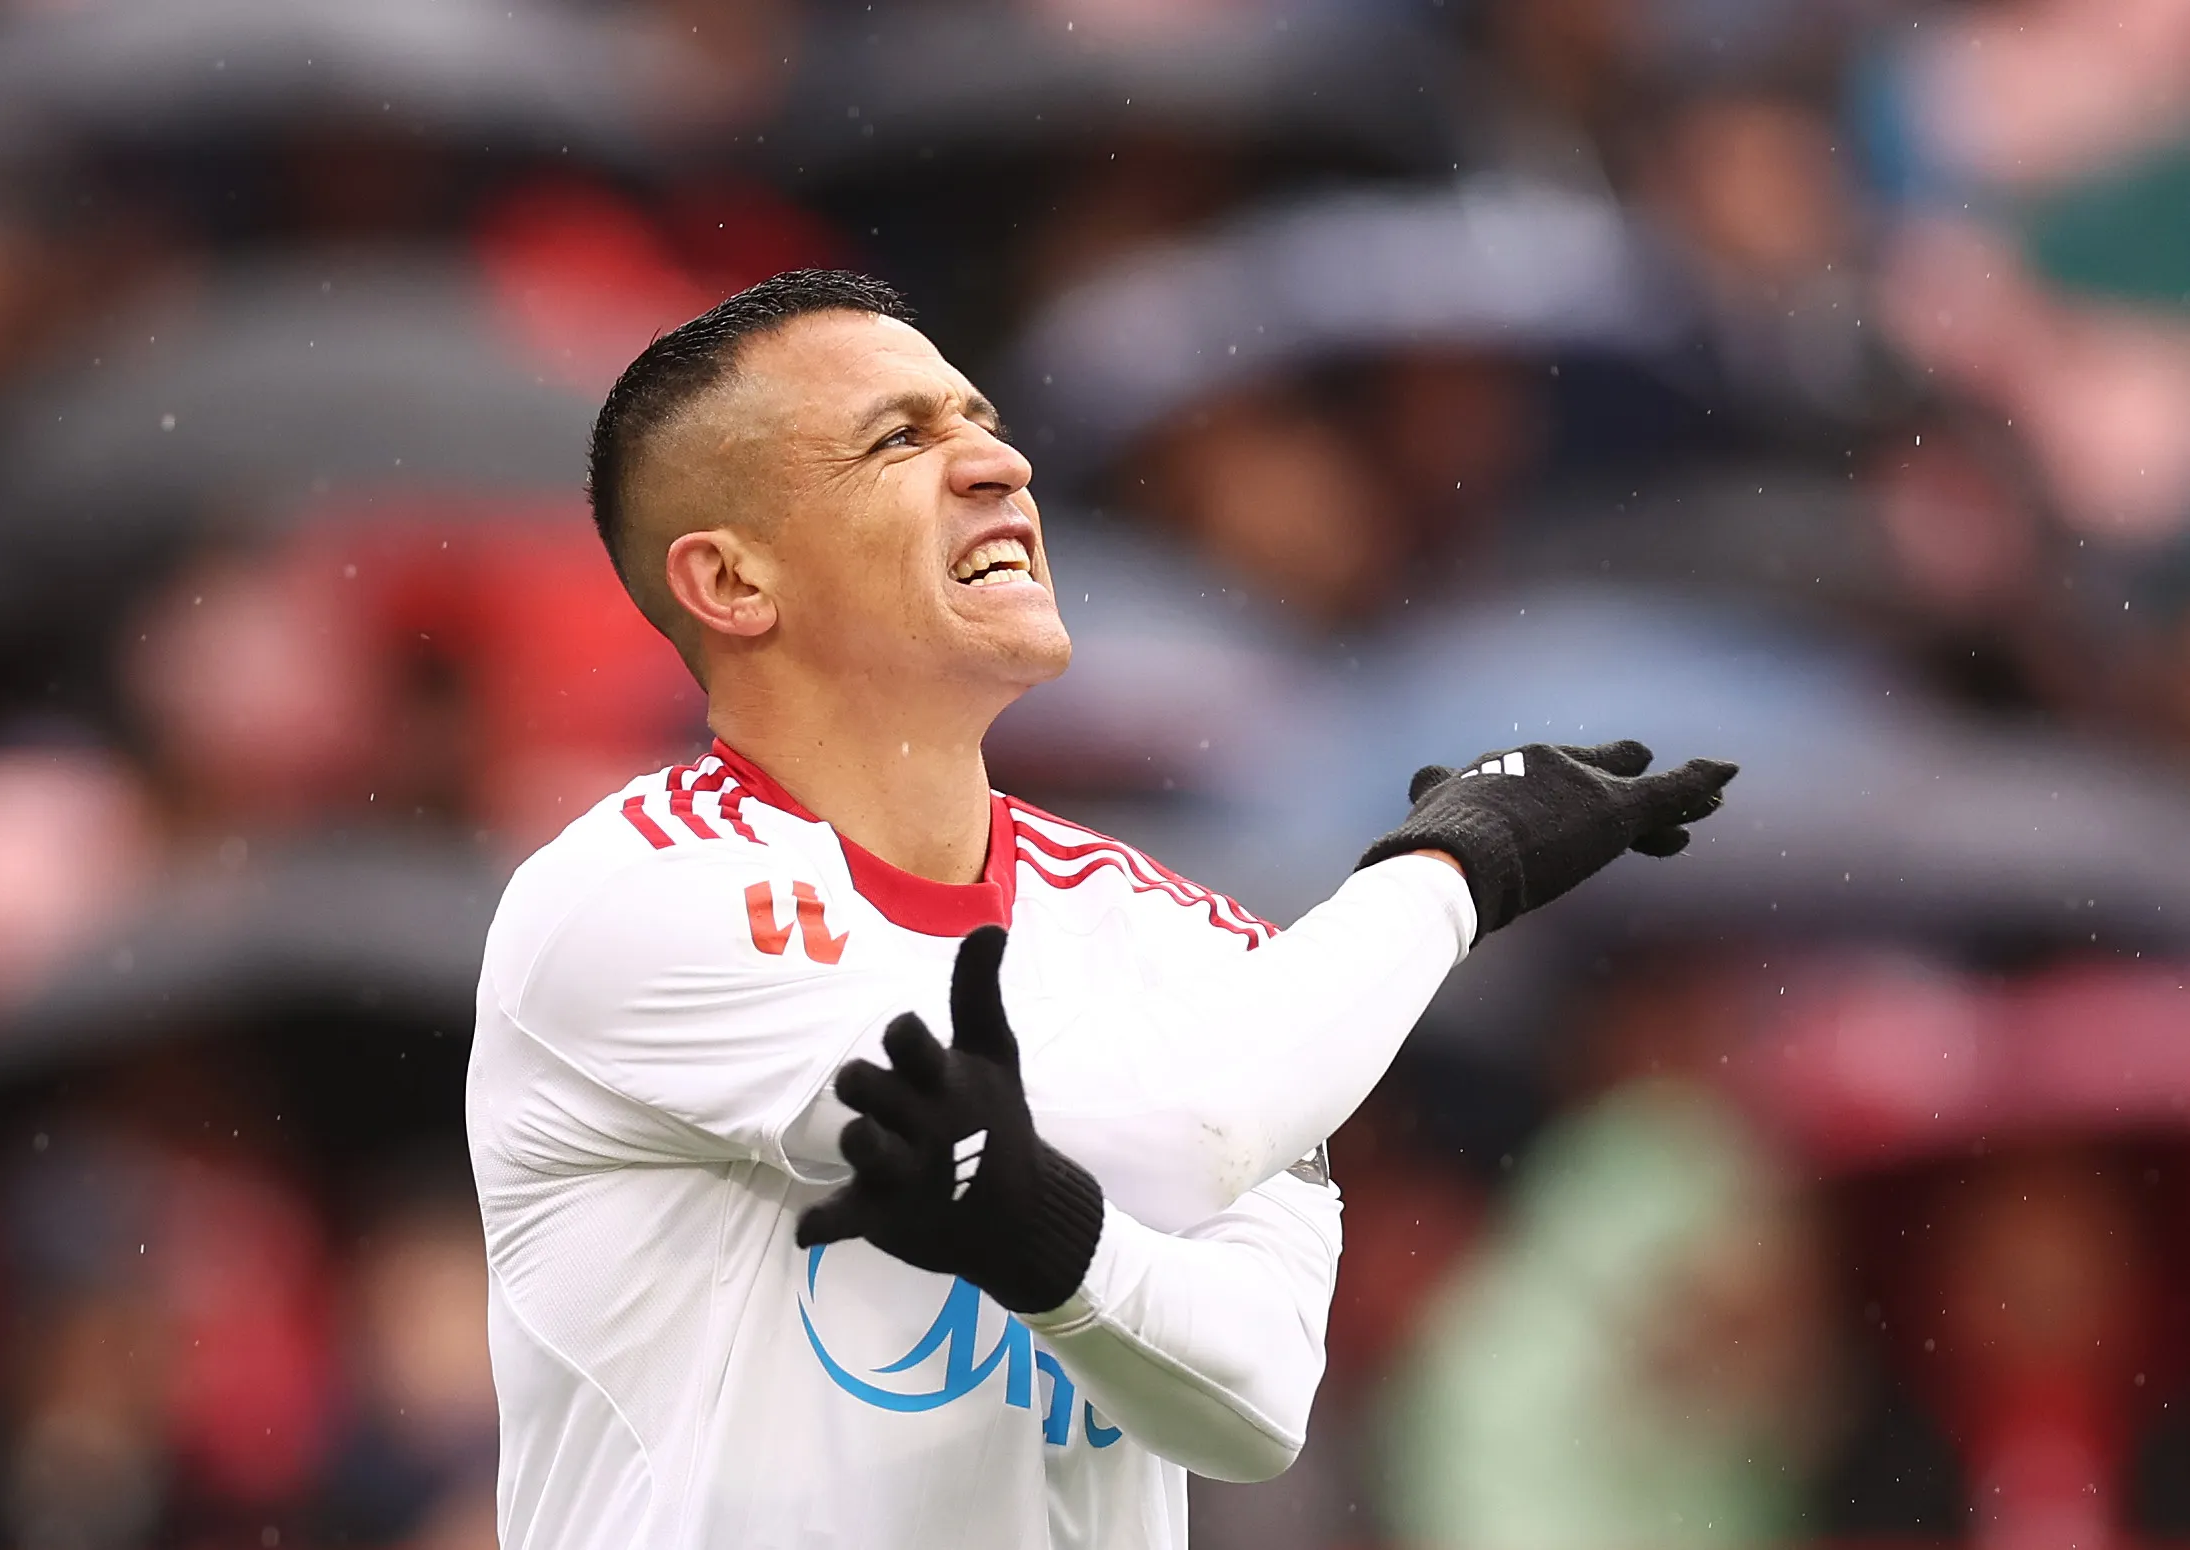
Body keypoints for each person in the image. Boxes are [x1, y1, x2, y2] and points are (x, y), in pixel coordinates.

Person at [465, 269, 1736, 1550]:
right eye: (899, 438)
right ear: (732, 584)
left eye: (981, 418)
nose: (995, 462)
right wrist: (1455, 866)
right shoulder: (628, 898)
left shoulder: (1181, 937)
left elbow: (1255, 1400)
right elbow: (1196, 1126)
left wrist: (1064, 1257)